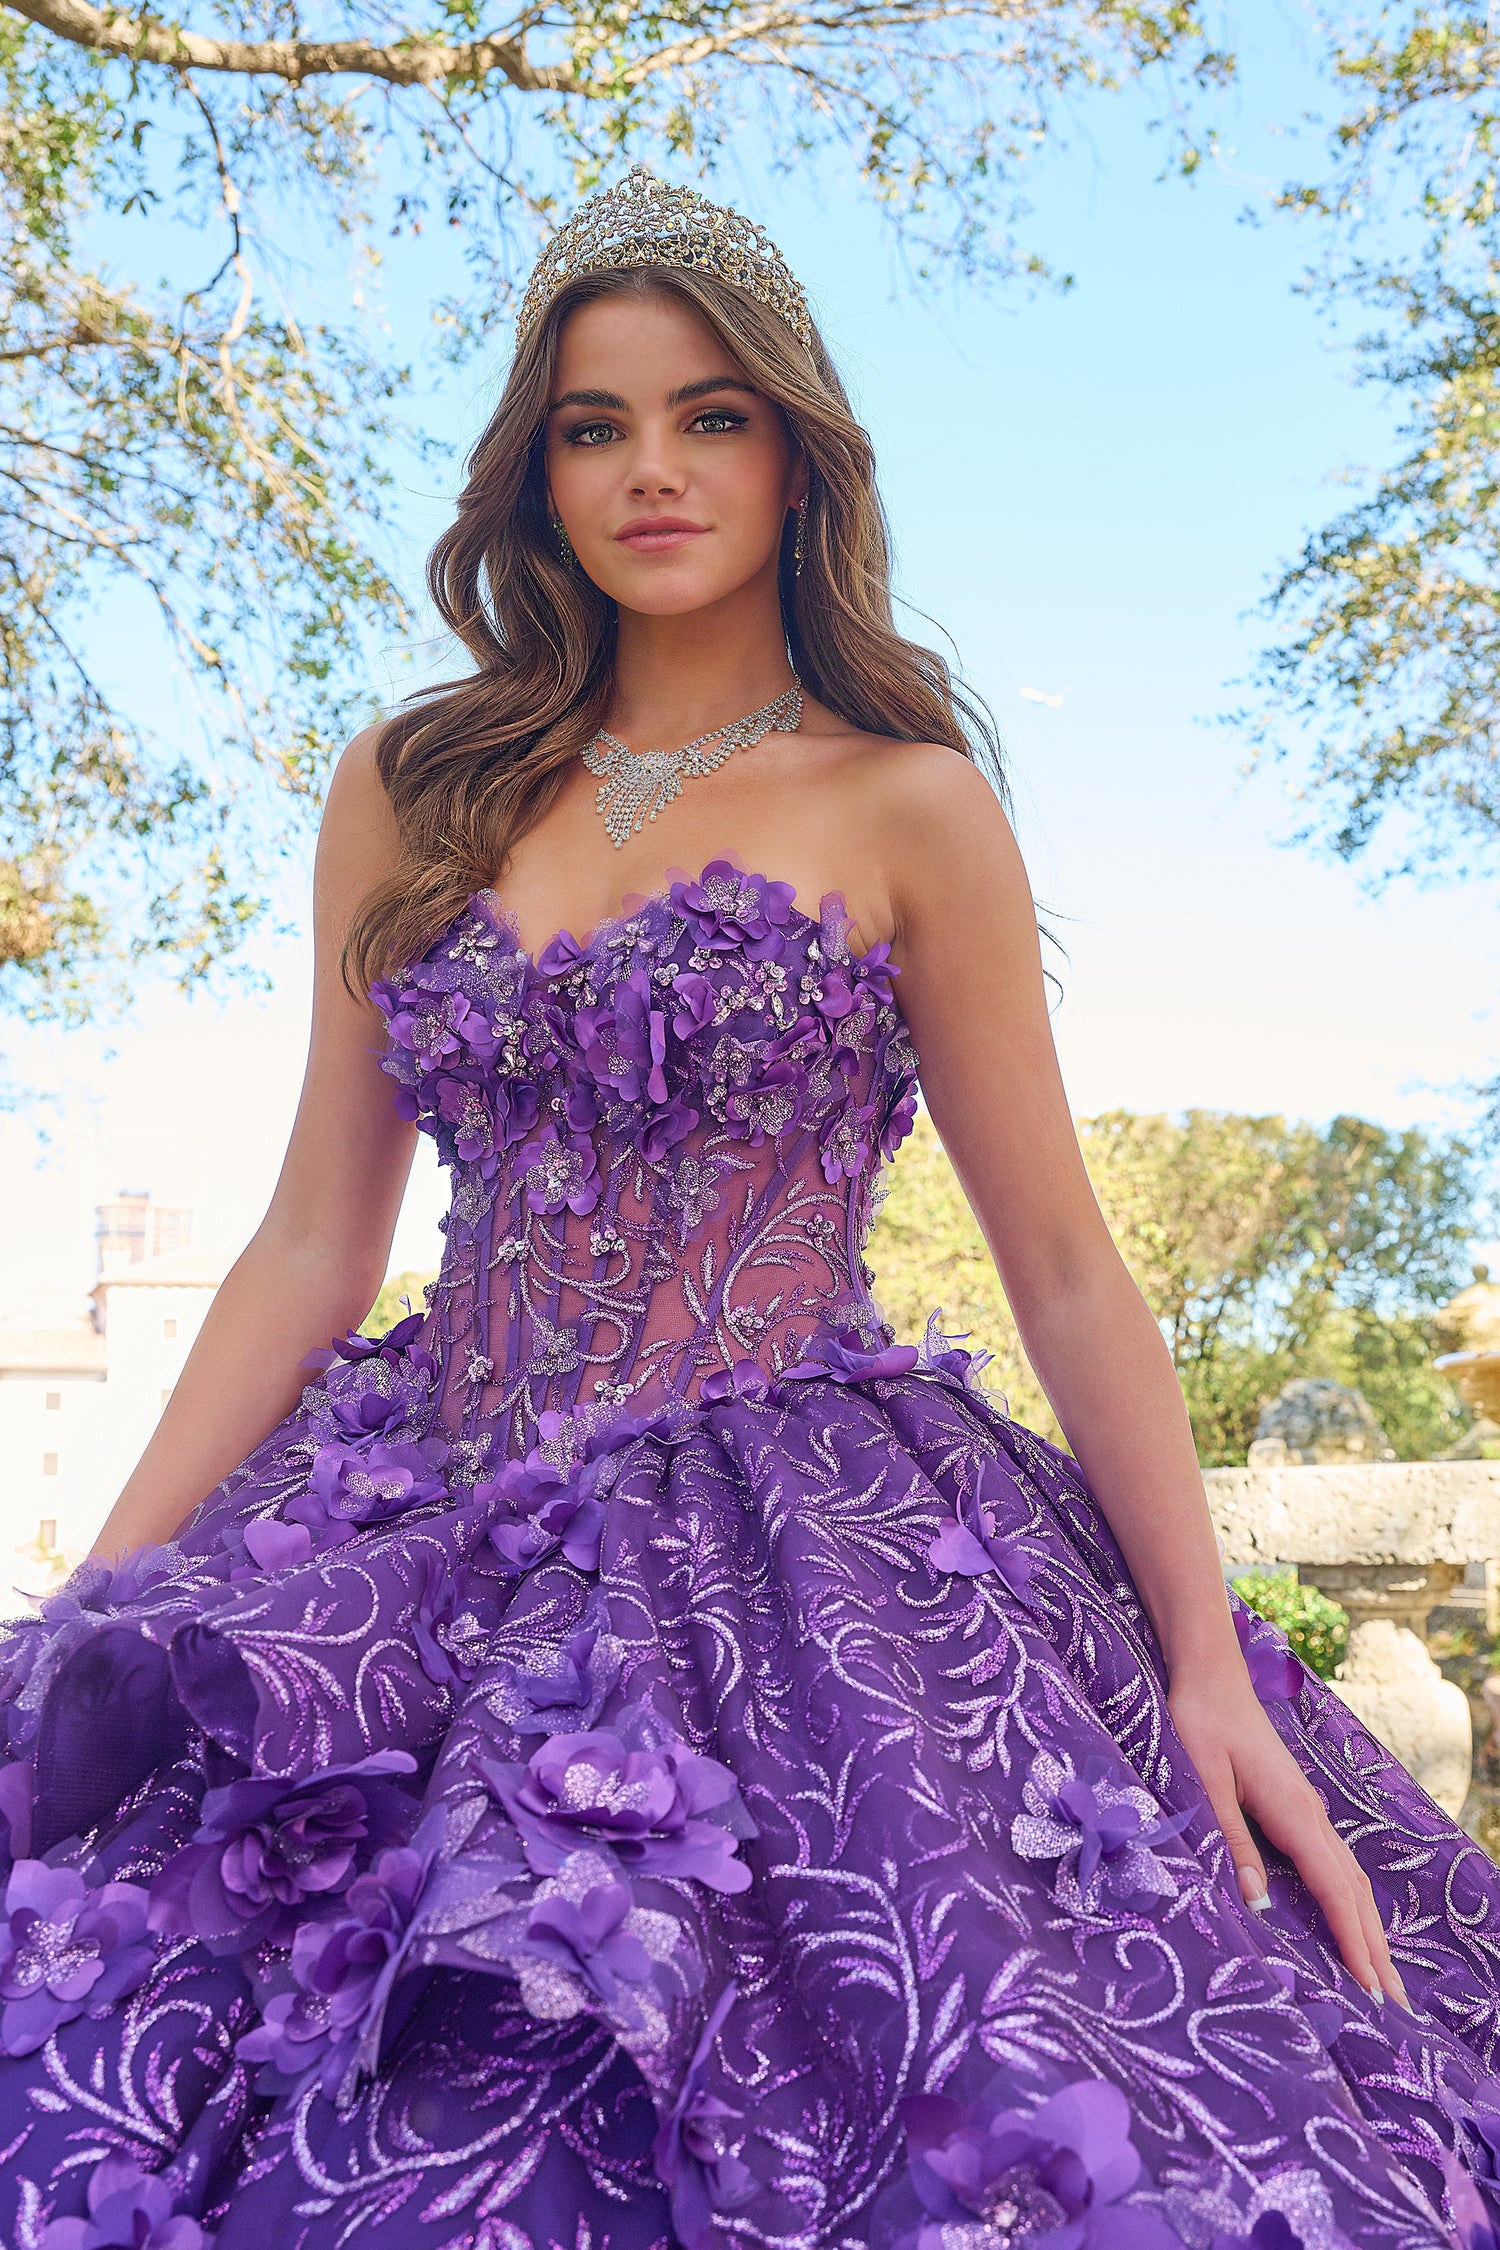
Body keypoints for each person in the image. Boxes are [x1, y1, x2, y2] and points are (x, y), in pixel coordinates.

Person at [0, 166, 1495, 2250]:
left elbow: (1060, 1259)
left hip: (806, 1558)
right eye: (594, 427)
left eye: (709, 415)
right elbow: (310, 1244)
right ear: (537, 477)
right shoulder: (411, 789)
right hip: (421, 1532)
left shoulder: (909, 803)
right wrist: (103, 1585)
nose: (652, 470)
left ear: (795, 455)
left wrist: (1204, 1670)